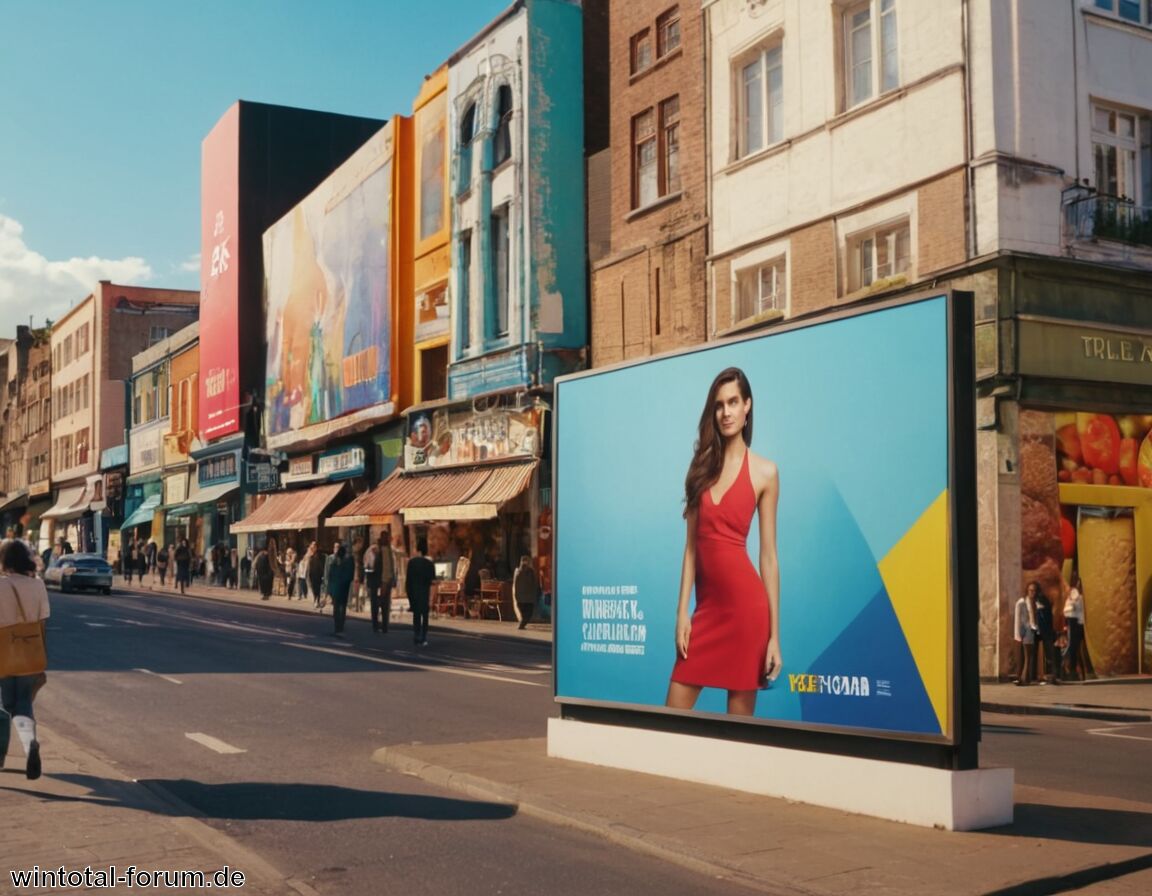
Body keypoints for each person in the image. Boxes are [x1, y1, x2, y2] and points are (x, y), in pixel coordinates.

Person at [666, 367, 781, 717]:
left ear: (748, 406)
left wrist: (775, 635)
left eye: (733, 402)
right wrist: (682, 611)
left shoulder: (765, 472)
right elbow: (690, 549)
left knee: (739, 736)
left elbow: (769, 558)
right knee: (670, 720)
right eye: (719, 405)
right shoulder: (701, 469)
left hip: (748, 612)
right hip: (707, 611)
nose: (726, 412)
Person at [0, 538, 50, 780]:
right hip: (31, 652)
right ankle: (30, 744)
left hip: (3, 654)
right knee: (24, 703)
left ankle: (1, 755)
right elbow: (44, 617)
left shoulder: (0, 585)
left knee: (5, 706)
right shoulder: (38, 585)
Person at [364, 531, 396, 633]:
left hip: (387, 581)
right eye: (385, 537)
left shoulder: (391, 550)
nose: (387, 540)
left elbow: (392, 566)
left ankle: (385, 626)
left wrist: (392, 579)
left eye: (388, 538)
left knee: (386, 605)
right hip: (377, 582)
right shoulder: (374, 549)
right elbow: (367, 564)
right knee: (375, 604)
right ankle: (375, 625)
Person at [407, 539, 435, 647]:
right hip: (424, 592)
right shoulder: (429, 564)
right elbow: (432, 581)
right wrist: (432, 599)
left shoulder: (412, 563)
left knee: (416, 615)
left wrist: (409, 595)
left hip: (414, 592)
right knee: (425, 615)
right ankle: (423, 636)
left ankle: (416, 634)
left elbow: (408, 581)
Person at [326, 543, 355, 636]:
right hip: (342, 589)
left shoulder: (336, 563)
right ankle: (339, 627)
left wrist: (329, 590)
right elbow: (349, 576)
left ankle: (338, 627)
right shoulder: (346, 563)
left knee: (337, 608)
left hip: (337, 589)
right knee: (341, 608)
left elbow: (330, 577)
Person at [1062, 572, 1086, 681]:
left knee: (1075, 647)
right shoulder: (1073, 596)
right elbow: (1068, 610)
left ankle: (1075, 670)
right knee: (1072, 646)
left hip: (1077, 622)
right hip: (1073, 621)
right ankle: (1069, 668)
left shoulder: (1077, 596)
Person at [1033, 585, 1058, 685]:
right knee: (1049, 654)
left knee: (1046, 654)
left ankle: (1046, 676)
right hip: (1047, 631)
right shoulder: (1046, 602)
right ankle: (1051, 676)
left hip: (1043, 631)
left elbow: (1041, 619)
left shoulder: (1039, 602)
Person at [1013, 583, 1037, 685]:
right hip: (1025, 631)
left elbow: (1033, 619)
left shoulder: (1033, 602)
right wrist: (1018, 634)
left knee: (1029, 656)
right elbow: (1018, 619)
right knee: (1027, 656)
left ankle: (1025, 679)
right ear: (1027, 590)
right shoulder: (1021, 602)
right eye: (1031, 590)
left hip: (1031, 631)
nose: (1033, 592)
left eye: (1034, 590)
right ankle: (1023, 679)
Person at [513, 554, 539, 630]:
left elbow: (515, 585)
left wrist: (516, 596)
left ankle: (522, 624)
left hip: (520, 599)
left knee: (524, 614)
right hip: (528, 599)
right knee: (528, 614)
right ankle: (522, 625)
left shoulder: (517, 571)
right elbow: (534, 584)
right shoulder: (530, 572)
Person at [307, 541, 326, 610]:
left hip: (318, 574)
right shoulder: (311, 555)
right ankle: (316, 599)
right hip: (312, 574)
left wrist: (323, 574)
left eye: (314, 546)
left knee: (317, 588)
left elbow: (321, 565)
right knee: (313, 587)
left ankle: (317, 600)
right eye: (312, 546)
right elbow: (309, 565)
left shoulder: (319, 555)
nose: (313, 547)